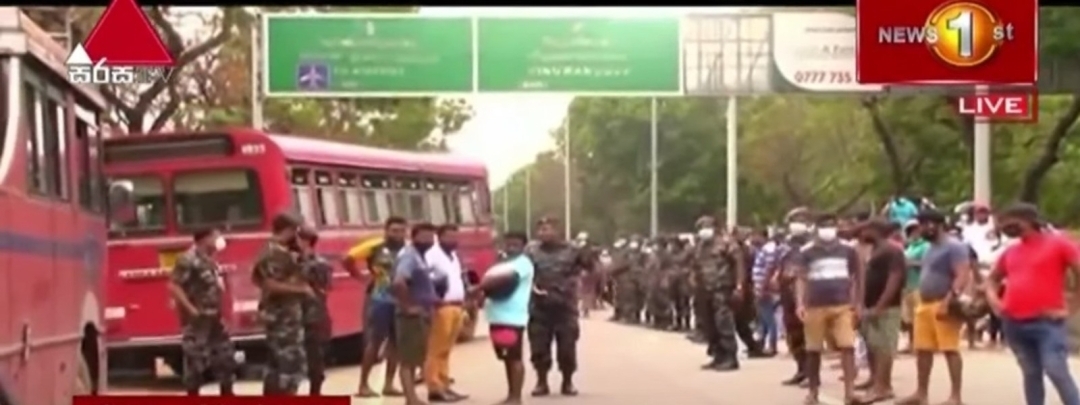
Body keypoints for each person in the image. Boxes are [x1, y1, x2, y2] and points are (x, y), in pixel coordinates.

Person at [985, 203, 1080, 405]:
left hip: (1047, 321)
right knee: (1031, 373)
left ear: (1029, 221)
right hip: (1014, 322)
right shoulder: (1011, 252)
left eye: (1010, 222)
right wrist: (995, 301)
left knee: (1056, 370)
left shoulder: (1058, 244)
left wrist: (1071, 308)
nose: (1005, 227)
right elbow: (992, 279)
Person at [897, 209, 972, 405]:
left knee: (950, 349)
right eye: (920, 224)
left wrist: (948, 300)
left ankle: (956, 396)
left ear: (936, 224)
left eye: (924, 224)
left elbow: (962, 275)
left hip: (943, 302)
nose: (921, 229)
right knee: (922, 350)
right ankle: (921, 393)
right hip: (925, 303)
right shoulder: (930, 248)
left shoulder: (954, 247)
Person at [795, 212, 862, 405]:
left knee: (847, 347)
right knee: (813, 350)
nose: (828, 229)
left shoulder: (848, 249)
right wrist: (800, 303)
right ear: (816, 228)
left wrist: (856, 302)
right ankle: (813, 392)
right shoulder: (807, 251)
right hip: (815, 304)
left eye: (831, 224)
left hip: (841, 304)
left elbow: (856, 276)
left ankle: (850, 391)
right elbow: (801, 278)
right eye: (824, 225)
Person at [168, 228, 235, 396]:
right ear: (205, 238)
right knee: (195, 360)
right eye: (215, 236)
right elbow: (174, 286)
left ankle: (227, 391)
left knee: (225, 356)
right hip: (197, 321)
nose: (219, 240)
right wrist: (191, 309)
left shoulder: (210, 259)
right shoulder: (187, 259)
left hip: (214, 318)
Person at [346, 217, 408, 398]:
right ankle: (363, 384)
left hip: (401, 301)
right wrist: (361, 277)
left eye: (401, 230)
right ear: (386, 231)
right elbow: (348, 258)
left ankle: (389, 383)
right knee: (375, 342)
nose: (398, 234)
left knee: (396, 343)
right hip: (380, 300)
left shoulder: (408, 249)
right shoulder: (376, 246)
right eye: (394, 230)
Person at [526, 217, 588, 396]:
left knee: (567, 347)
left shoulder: (573, 250)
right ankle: (541, 382)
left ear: (558, 231)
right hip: (539, 307)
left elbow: (590, 267)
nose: (544, 233)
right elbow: (523, 272)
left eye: (548, 229)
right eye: (541, 230)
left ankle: (567, 381)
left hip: (565, 307)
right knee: (539, 347)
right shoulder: (531, 250)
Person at [252, 213, 311, 395]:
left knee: (276, 366)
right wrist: (301, 290)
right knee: (289, 367)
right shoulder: (274, 253)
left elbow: (257, 278)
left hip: (283, 317)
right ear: (289, 230)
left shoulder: (279, 251)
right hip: (283, 320)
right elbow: (269, 284)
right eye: (297, 231)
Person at [474, 231, 535, 404]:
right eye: (508, 243)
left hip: (512, 318)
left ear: (524, 246)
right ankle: (511, 394)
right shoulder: (499, 264)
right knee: (506, 358)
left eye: (516, 244)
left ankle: (515, 397)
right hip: (496, 317)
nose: (511, 247)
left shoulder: (523, 263)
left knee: (514, 357)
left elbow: (506, 279)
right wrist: (481, 296)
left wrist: (478, 288)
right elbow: (489, 286)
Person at [854, 219, 906, 404]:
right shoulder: (874, 250)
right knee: (872, 345)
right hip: (870, 306)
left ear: (874, 230)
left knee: (884, 347)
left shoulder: (892, 250)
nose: (861, 234)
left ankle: (883, 387)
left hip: (886, 307)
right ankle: (875, 380)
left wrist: (880, 306)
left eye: (864, 230)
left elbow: (895, 278)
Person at [392, 222, 440, 405]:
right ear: (414, 237)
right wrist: (408, 306)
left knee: (415, 357)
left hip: (421, 314)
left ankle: (412, 398)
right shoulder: (409, 256)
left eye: (431, 237)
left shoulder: (419, 256)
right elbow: (399, 282)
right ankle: (411, 399)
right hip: (411, 316)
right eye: (424, 237)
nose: (428, 241)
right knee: (408, 360)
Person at [424, 224, 469, 402]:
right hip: (441, 307)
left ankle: (444, 384)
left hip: (457, 306)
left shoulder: (453, 255)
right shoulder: (431, 255)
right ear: (439, 237)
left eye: (455, 236)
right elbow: (425, 279)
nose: (452, 240)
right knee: (435, 350)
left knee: (446, 350)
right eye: (448, 236)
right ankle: (434, 387)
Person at [693, 218, 744, 371]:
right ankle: (717, 355)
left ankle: (730, 357)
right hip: (705, 289)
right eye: (701, 227)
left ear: (715, 227)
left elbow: (739, 264)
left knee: (723, 322)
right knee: (710, 324)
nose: (704, 230)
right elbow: (696, 266)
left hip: (722, 288)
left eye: (707, 226)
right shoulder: (701, 246)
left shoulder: (726, 243)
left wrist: (739, 286)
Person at [298, 227, 333, 396]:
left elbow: (324, 287)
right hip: (295, 317)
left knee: (315, 361)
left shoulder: (319, 264)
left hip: (312, 316)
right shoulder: (293, 261)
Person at [900, 220, 928, 353]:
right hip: (908, 284)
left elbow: (927, 264)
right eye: (911, 231)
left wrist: (910, 263)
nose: (914, 233)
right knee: (909, 318)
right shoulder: (909, 247)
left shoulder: (925, 246)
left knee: (919, 316)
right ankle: (912, 343)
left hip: (919, 284)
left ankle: (921, 344)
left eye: (916, 230)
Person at [752, 229, 781, 355]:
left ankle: (772, 345)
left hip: (765, 288)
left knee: (768, 317)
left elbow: (769, 268)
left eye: (755, 235)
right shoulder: (764, 249)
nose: (753, 238)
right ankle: (761, 343)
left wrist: (763, 287)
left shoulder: (768, 249)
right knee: (763, 318)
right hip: (761, 286)